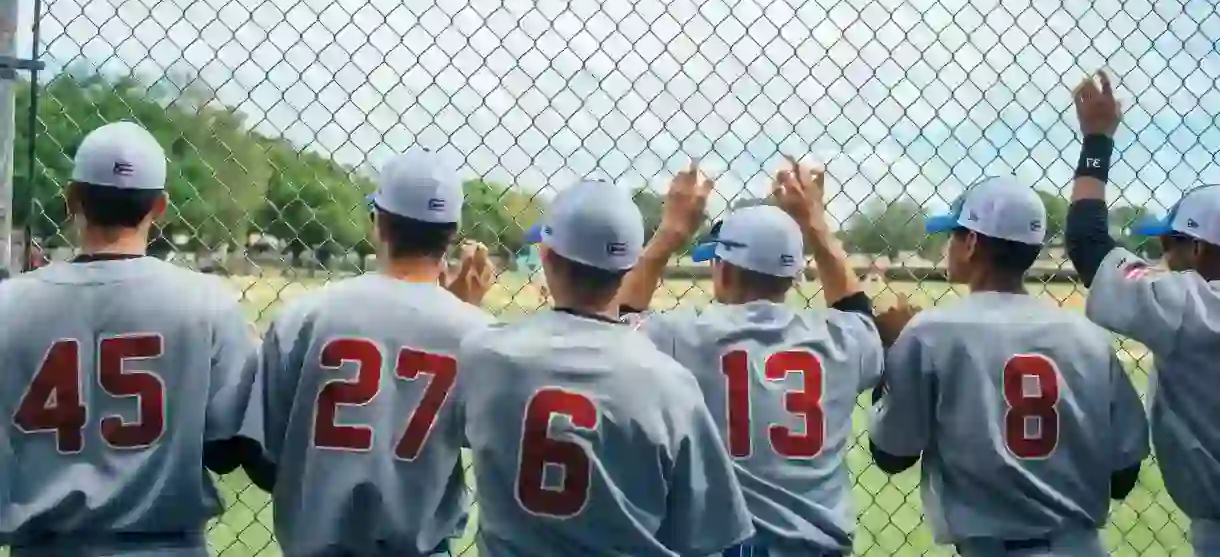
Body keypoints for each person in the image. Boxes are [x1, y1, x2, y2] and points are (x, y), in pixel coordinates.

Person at [0, 121, 264, 556]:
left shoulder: (10, 304)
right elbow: (226, 450)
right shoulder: (206, 304)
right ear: (159, 207)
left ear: (72, 200)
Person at [456, 179, 754, 556]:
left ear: (546, 258)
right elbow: (706, 531)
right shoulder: (669, 382)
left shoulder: (486, 354)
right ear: (628, 267)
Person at [616, 160, 887, 557]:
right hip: (817, 546)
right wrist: (816, 225)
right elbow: (857, 310)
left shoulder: (682, 335)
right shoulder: (842, 338)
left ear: (722, 271)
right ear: (795, 276)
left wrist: (668, 235)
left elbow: (615, 326)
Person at [869, 174, 1149, 557]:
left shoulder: (930, 333)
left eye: (953, 235)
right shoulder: (1088, 336)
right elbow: (1123, 475)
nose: (946, 245)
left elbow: (891, 454)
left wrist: (894, 351)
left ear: (971, 243)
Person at [243, 148, 494, 557]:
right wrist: (462, 313)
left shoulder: (306, 314)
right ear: (452, 234)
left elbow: (264, 457)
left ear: (378, 223)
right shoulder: (477, 334)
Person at [1065, 71, 1220, 555]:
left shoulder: (1192, 306)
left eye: (1168, 243)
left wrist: (1096, 140)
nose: (1162, 255)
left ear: (1196, 248)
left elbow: (1089, 244)